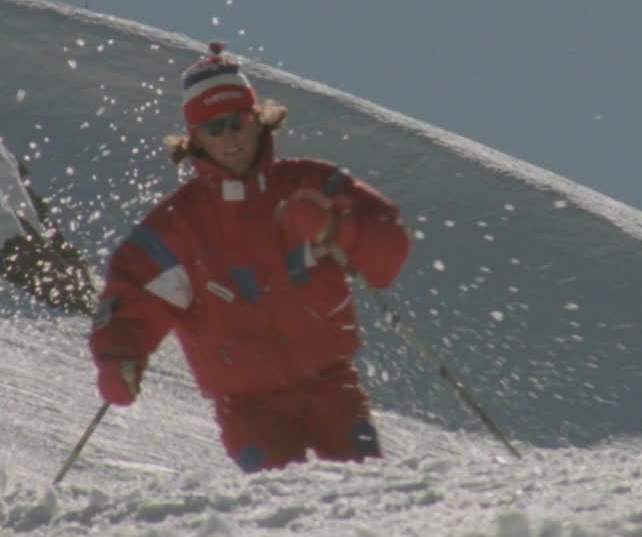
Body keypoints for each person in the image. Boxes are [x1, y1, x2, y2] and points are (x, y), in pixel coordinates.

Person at [88, 41, 409, 473]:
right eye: (214, 128)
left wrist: (336, 228)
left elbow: (389, 251)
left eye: (237, 122)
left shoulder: (312, 183)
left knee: (365, 489)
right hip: (249, 405)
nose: (230, 137)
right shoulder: (178, 225)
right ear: (195, 138)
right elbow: (133, 295)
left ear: (258, 121)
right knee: (280, 504)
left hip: (330, 384)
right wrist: (119, 357)